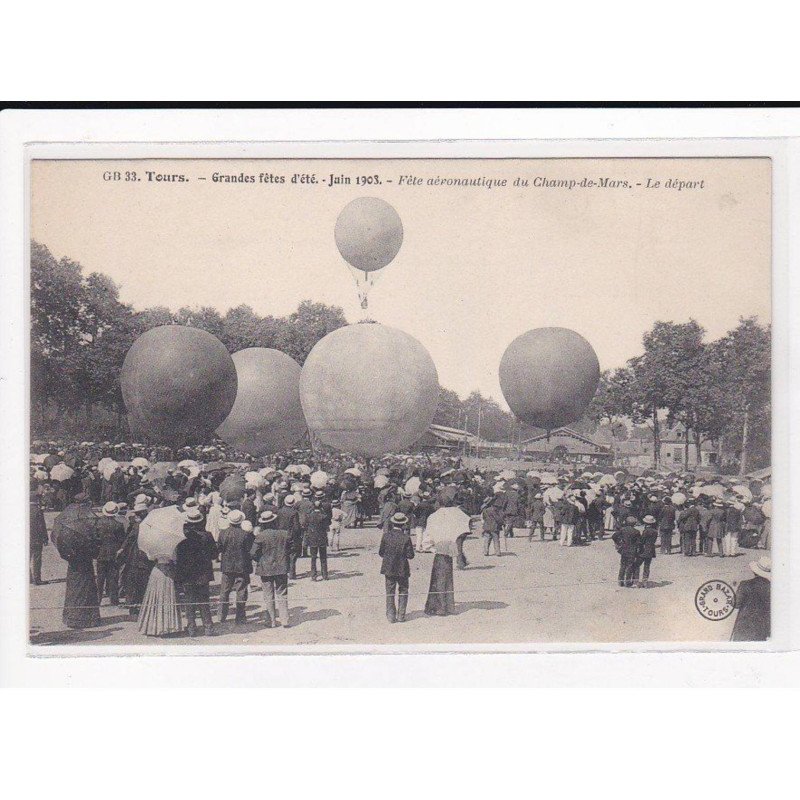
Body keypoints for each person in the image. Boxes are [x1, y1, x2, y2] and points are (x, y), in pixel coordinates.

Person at [53, 493, 102, 628]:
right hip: (85, 562)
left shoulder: (66, 515)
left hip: (73, 562)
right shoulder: (86, 517)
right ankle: (87, 619)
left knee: (74, 590)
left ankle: (71, 618)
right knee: (87, 590)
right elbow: (95, 540)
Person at [175, 505, 217, 636]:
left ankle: (192, 627)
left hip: (187, 573)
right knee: (204, 600)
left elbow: (178, 556)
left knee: (189, 601)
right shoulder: (207, 535)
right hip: (203, 573)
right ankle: (208, 626)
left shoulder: (182, 537)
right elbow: (214, 555)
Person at [251, 510, 292, 628]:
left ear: (263, 523)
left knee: (268, 595)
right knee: (282, 593)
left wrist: (261, 559)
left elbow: (253, 553)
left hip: (265, 568)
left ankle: (272, 621)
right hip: (281, 567)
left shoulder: (260, 536)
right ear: (274, 521)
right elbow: (292, 548)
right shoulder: (284, 534)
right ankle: (285, 620)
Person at [117, 498, 154, 618]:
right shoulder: (150, 523)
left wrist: (122, 549)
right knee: (144, 583)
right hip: (146, 557)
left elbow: (129, 539)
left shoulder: (138, 526)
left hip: (135, 557)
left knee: (134, 584)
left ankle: (134, 609)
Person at [217, 509, 254, 625]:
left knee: (224, 591)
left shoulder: (223, 533)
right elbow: (249, 550)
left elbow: (220, 548)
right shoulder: (245, 534)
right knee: (241, 591)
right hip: (242, 566)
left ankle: (221, 616)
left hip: (227, 566)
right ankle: (240, 617)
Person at [379, 512, 415, 623]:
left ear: (393, 523)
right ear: (403, 524)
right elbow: (410, 555)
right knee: (403, 590)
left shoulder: (386, 536)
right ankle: (401, 616)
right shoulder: (406, 538)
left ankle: (391, 615)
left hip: (389, 568)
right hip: (402, 568)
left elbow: (381, 553)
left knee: (390, 591)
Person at [730, 557, 771, 641]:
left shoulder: (745, 584)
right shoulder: (770, 587)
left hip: (744, 625)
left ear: (754, 571)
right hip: (762, 627)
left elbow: (736, 604)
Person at [95, 501, 126, 606]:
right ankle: (114, 600)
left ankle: (97, 599)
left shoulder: (98, 523)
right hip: (113, 553)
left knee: (100, 578)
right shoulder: (118, 525)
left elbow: (95, 538)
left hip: (101, 553)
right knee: (113, 577)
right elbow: (122, 540)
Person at [612, 514, 641, 588]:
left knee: (622, 565)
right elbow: (638, 542)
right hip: (632, 550)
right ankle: (627, 582)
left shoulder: (623, 530)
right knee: (629, 566)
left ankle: (620, 581)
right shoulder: (636, 532)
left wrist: (619, 542)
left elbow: (614, 536)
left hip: (624, 549)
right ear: (634, 524)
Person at [277, 494, 301, 579]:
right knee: (293, 555)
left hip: (281, 534)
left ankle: (284, 572)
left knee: (284, 553)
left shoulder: (279, 511)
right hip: (291, 535)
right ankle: (292, 573)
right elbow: (296, 527)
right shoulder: (294, 513)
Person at [305, 499, 331, 580]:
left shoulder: (309, 516)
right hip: (322, 538)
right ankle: (325, 575)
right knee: (323, 557)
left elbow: (305, 526)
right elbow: (328, 525)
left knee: (313, 558)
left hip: (312, 538)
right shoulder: (324, 516)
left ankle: (314, 575)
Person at [29, 488, 49, 585]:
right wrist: (45, 538)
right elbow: (42, 525)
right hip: (36, 538)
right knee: (37, 558)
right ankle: (37, 579)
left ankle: (28, 577)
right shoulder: (37, 511)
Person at [636, 515, 659, 587]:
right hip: (651, 550)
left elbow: (642, 541)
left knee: (637, 565)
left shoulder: (646, 531)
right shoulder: (655, 531)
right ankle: (645, 581)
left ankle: (636, 581)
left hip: (644, 550)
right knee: (647, 566)